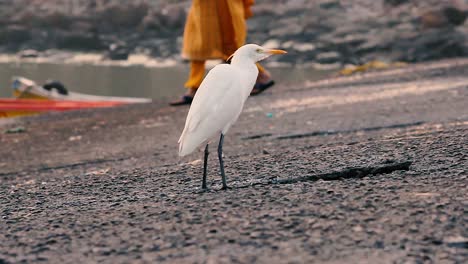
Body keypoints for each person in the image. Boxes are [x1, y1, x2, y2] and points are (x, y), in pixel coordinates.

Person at [170, 0, 275, 106]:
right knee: (198, 44)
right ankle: (194, 87)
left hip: (225, 4)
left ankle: (261, 76)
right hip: (205, 5)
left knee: (229, 45)